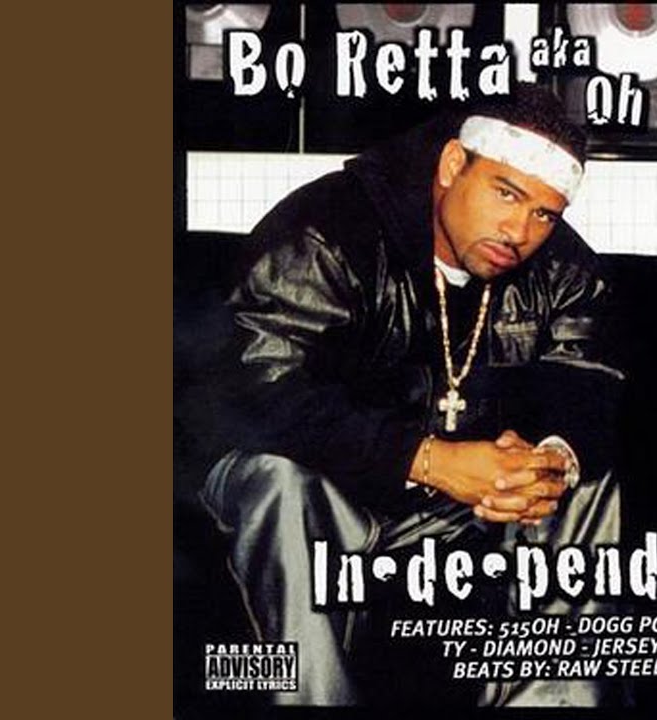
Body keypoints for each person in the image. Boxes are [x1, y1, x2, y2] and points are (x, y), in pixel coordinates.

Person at [194, 84, 625, 706]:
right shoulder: (328, 231)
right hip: (333, 486)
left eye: (544, 213)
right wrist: (425, 459)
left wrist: (551, 457)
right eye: (506, 193)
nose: (520, 230)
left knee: (574, 481)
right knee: (274, 480)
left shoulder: (561, 266)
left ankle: (551, 701)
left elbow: (590, 379)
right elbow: (253, 389)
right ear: (452, 165)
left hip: (460, 503)